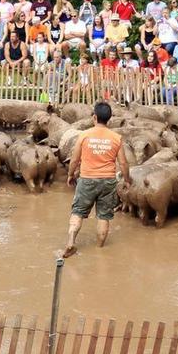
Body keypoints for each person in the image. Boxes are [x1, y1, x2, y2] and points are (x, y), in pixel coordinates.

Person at [62, 101, 131, 258]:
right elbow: (123, 163)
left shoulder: (84, 135)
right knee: (103, 216)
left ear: (94, 117)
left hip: (86, 179)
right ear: (110, 119)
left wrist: (70, 175)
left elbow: (74, 160)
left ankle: (71, 242)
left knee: (78, 212)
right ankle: (100, 252)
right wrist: (127, 180)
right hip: (108, 181)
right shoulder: (116, 138)